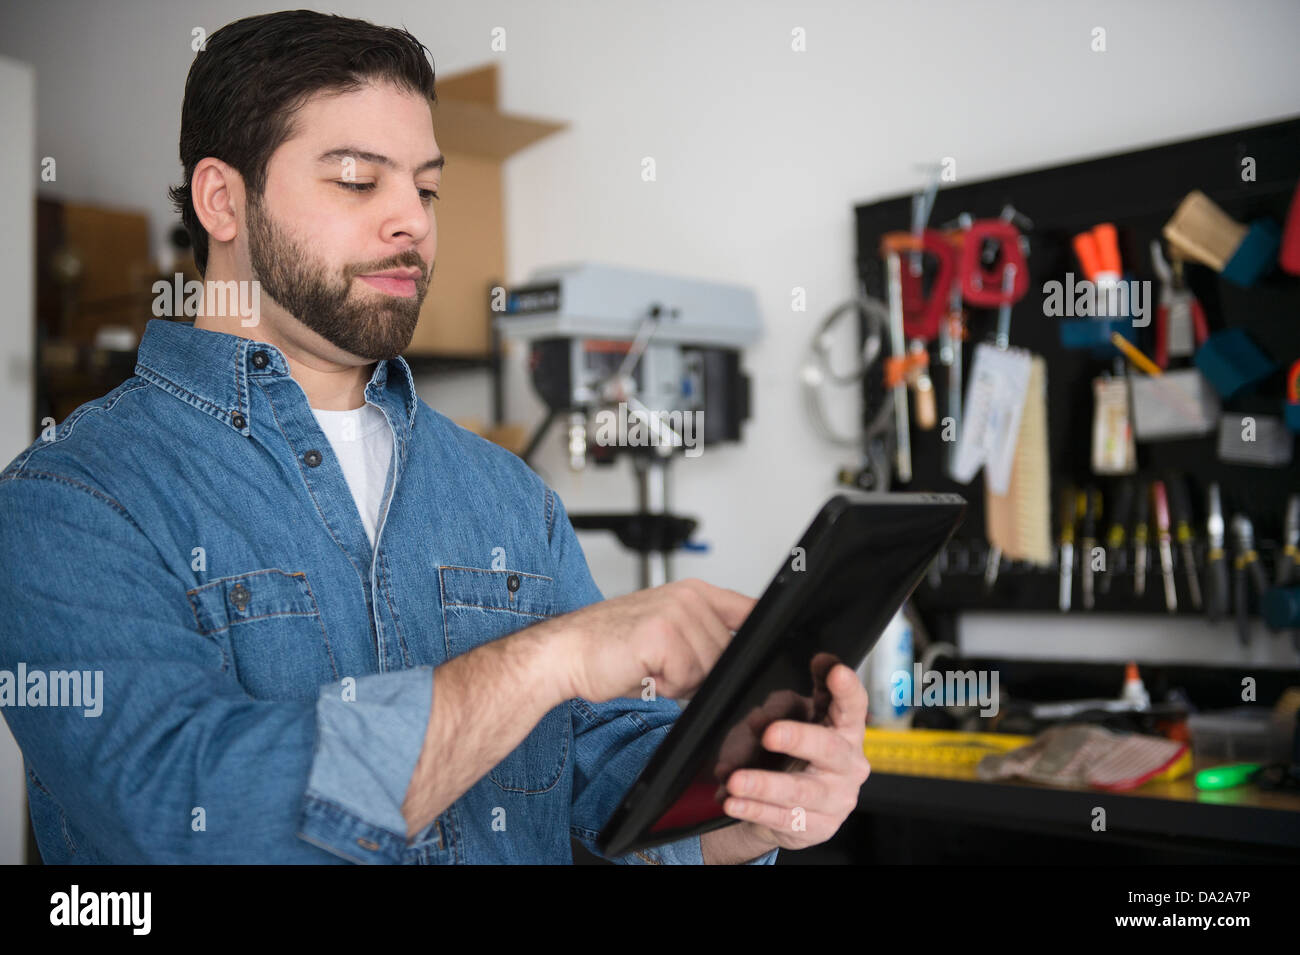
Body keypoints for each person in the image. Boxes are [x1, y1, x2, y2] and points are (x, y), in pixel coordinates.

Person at [0, 10, 869, 865]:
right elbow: (191, 812)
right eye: (356, 179)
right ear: (223, 200)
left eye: (425, 187)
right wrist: (549, 658)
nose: (411, 220)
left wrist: (747, 805)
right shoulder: (69, 500)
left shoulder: (508, 496)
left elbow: (605, 783)